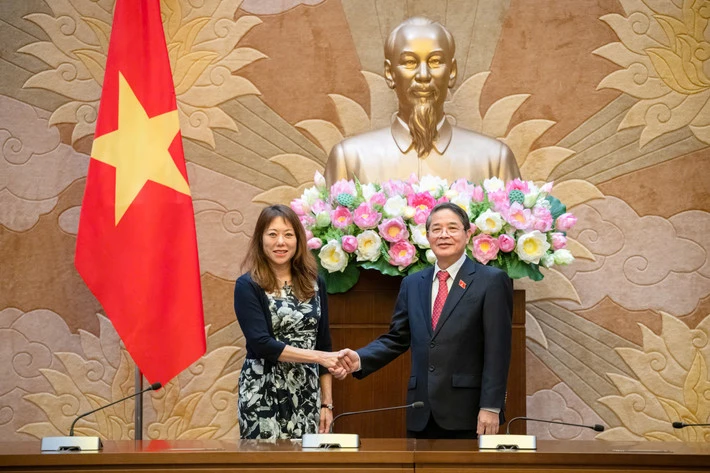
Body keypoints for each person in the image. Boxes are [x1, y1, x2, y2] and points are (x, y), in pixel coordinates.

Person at [334, 203, 513, 439]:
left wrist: (491, 406)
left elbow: (498, 349)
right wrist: (359, 358)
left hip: (470, 412)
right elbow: (397, 338)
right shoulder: (413, 283)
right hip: (421, 410)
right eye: (436, 229)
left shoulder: (490, 281)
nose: (444, 235)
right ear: (427, 236)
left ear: (468, 233)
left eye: (452, 228)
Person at [324, 17, 520, 185]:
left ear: (451, 72)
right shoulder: (349, 159)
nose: (424, 75)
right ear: (390, 73)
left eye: (435, 61)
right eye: (410, 62)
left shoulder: (494, 160)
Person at [234, 204, 341, 439]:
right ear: (260, 240)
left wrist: (327, 404)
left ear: (298, 240)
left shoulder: (315, 283)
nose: (280, 242)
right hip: (263, 391)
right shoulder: (248, 285)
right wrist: (319, 357)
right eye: (272, 234)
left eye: (288, 235)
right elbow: (262, 343)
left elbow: (323, 342)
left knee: (306, 465)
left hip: (306, 390)